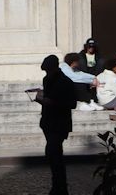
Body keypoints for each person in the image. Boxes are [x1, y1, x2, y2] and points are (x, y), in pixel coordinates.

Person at [37, 55, 76, 195]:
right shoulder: (47, 80)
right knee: (53, 155)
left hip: (59, 123)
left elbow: (72, 103)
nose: (47, 73)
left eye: (48, 70)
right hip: (48, 122)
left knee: (55, 154)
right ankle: (58, 186)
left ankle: (60, 187)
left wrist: (52, 103)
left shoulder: (66, 82)